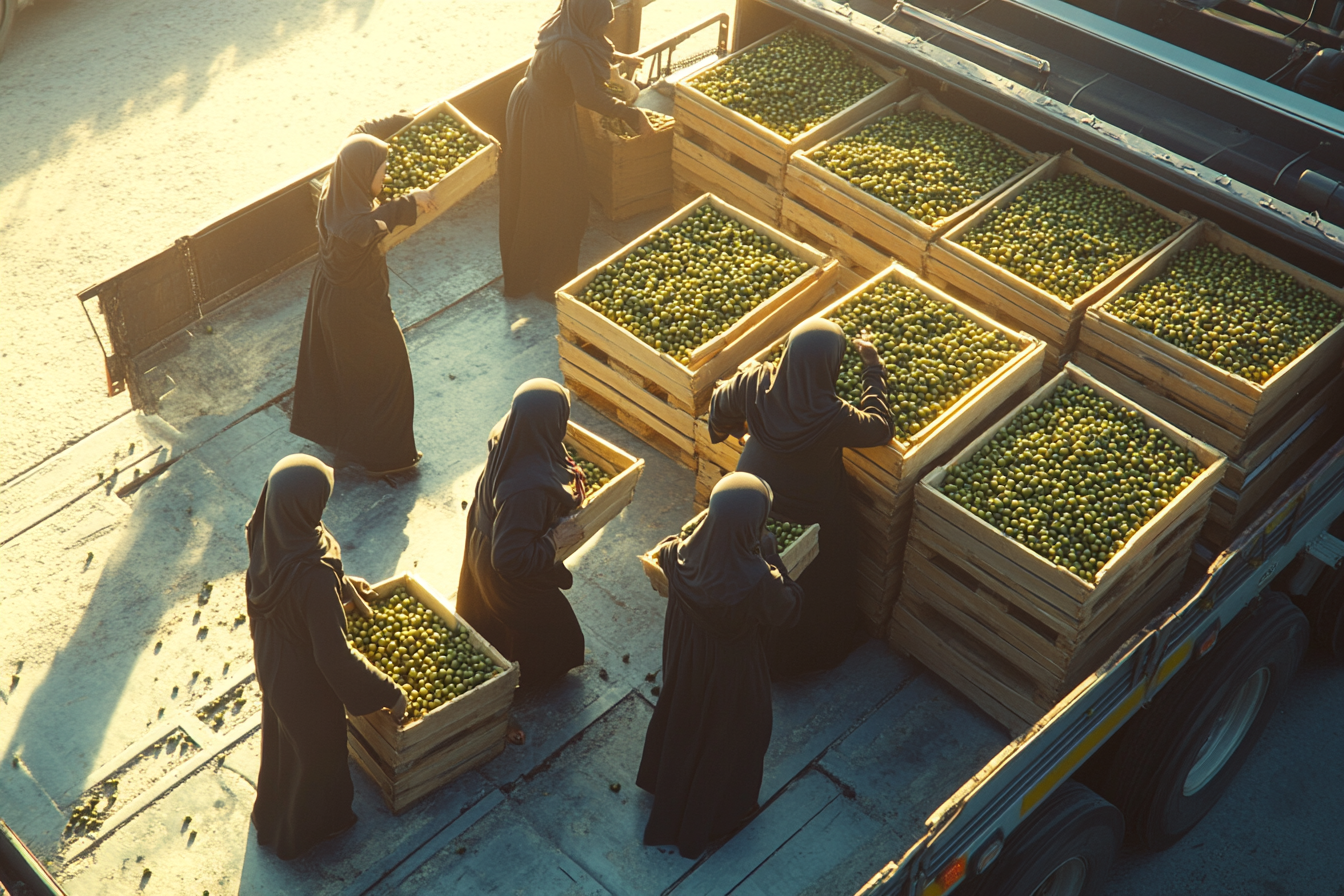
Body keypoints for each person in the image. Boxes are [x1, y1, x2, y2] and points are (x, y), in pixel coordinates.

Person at [707, 318, 893, 677]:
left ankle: (747, 636)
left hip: (753, 493)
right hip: (810, 509)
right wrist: (873, 368)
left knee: (758, 562)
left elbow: (719, 408)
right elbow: (881, 428)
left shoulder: (757, 380)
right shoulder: (832, 414)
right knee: (830, 556)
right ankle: (802, 656)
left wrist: (742, 434)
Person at [245, 454, 407, 860]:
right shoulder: (312, 576)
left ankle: (273, 812)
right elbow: (334, 658)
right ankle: (305, 832)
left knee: (286, 743)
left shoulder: (271, 527)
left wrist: (343, 584)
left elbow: (297, 583)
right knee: (320, 753)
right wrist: (390, 691)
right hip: (304, 678)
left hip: (271, 657)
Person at [637, 472, 803, 858]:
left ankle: (665, 784)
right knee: (738, 732)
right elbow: (789, 609)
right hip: (730, 671)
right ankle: (718, 814)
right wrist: (770, 554)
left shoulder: (680, 554)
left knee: (685, 717)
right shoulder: (757, 578)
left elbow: (664, 548)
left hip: (687, 657)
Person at [289, 125, 435, 477]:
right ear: (361, 173)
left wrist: (400, 119)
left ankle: (345, 440)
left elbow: (357, 141)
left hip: (330, 296)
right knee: (387, 375)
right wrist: (409, 202)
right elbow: (361, 229)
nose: (384, 179)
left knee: (350, 374)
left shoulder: (334, 192)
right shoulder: (353, 224)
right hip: (354, 310)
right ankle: (384, 460)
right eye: (380, 172)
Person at [498, 0, 654, 299]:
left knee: (538, 189)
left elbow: (589, 44)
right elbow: (589, 97)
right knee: (562, 200)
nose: (604, 29)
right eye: (601, 23)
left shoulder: (564, 23)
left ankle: (530, 270)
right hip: (543, 120)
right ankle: (551, 282)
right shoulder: (569, 49)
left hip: (533, 103)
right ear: (585, 17)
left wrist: (620, 57)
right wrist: (634, 115)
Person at [456, 379, 588, 698]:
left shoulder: (511, 435)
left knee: (492, 616)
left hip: (483, 537)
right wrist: (554, 539)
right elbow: (509, 559)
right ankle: (529, 682)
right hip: (502, 564)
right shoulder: (528, 491)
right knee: (552, 630)